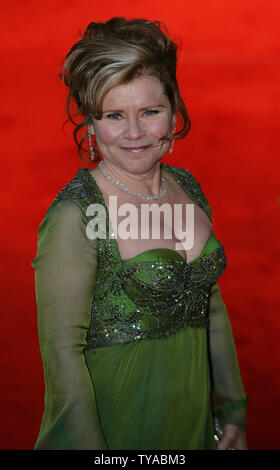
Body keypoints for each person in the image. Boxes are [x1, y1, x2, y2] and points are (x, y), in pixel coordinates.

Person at [31, 17, 249, 450]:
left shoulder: (187, 186)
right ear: (91, 125)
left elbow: (211, 307)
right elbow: (63, 359)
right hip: (121, 423)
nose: (134, 133)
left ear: (174, 111)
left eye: (150, 111)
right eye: (114, 115)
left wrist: (232, 409)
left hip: (194, 421)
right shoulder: (77, 215)